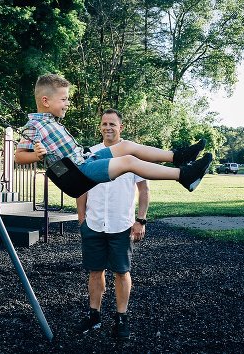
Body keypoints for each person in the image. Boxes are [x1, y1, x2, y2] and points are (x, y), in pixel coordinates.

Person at [14, 74, 211, 192]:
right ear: (46, 101)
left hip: (86, 159)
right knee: (129, 162)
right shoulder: (34, 126)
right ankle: (184, 175)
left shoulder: (51, 122)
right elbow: (18, 157)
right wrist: (36, 155)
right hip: (78, 172)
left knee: (125, 146)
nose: (68, 103)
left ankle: (178, 156)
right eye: (64, 99)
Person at [76, 108, 149, 339]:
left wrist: (141, 220)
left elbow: (144, 189)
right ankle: (94, 316)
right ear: (100, 126)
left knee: (122, 272)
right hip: (94, 223)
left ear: (121, 127)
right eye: (104, 123)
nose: (108, 127)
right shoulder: (90, 154)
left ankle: (121, 318)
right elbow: (81, 187)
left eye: (112, 124)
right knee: (95, 272)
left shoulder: (132, 155)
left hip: (122, 224)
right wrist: (81, 218)